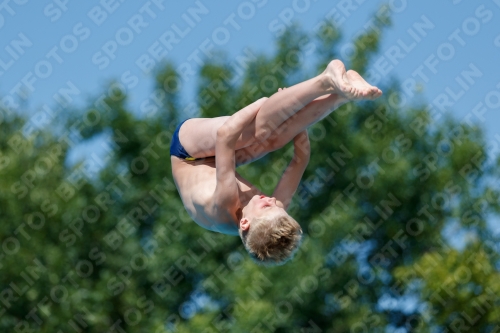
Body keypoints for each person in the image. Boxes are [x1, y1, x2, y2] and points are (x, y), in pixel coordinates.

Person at [170, 59, 382, 265]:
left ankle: (326, 79)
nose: (271, 200)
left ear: (245, 223)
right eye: (276, 205)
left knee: (257, 131)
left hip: (187, 153)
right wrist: (287, 110)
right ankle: (341, 95)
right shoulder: (273, 212)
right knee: (276, 138)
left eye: (265, 205)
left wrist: (264, 104)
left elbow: (225, 135)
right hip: (217, 162)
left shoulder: (224, 202)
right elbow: (300, 158)